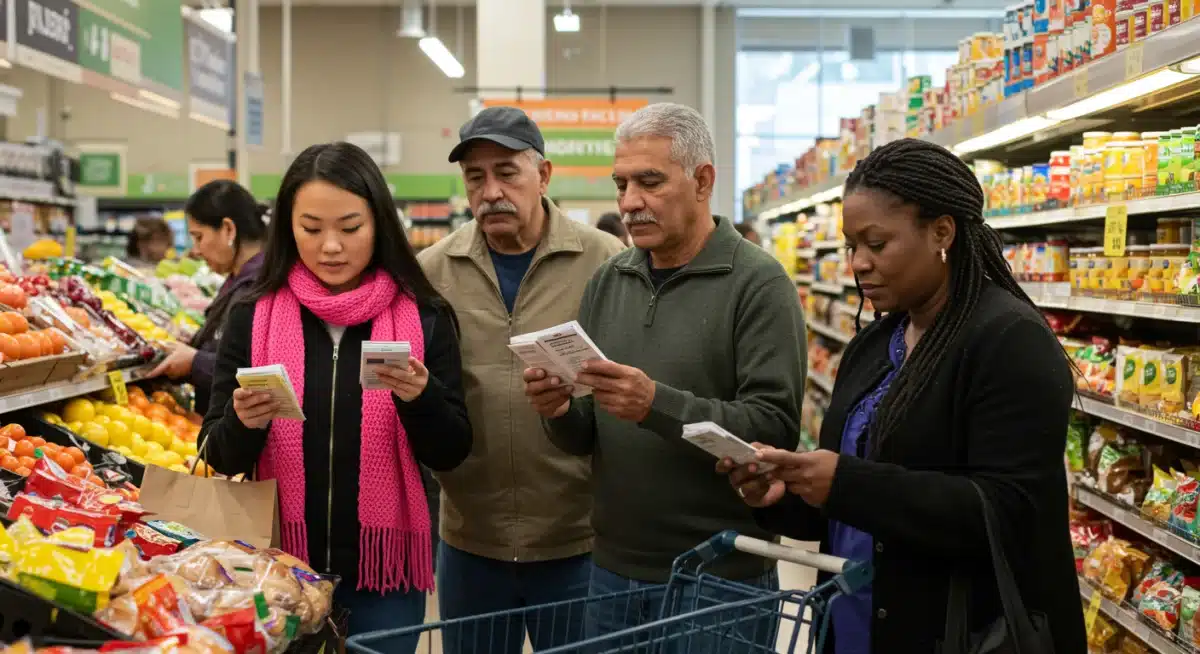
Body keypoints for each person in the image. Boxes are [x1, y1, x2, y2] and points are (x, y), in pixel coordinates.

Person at [721, 139, 1086, 654]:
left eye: (877, 243)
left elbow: (1007, 512)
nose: (859, 263)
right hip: (853, 622)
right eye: (852, 246)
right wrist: (780, 498)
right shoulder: (874, 342)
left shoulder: (1008, 339)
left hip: (954, 632)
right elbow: (847, 509)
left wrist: (845, 482)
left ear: (942, 232)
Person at [522, 102, 806, 651]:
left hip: (721, 578)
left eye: (649, 182)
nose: (629, 203)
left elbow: (773, 429)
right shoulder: (610, 280)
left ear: (703, 181)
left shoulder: (758, 284)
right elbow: (587, 432)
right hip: (610, 573)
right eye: (621, 184)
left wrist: (655, 403)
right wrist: (558, 409)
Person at [200, 142, 473, 652]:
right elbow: (218, 451)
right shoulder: (252, 315)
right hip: (278, 572)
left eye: (350, 228)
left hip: (383, 575)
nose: (331, 246)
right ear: (287, 228)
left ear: (379, 225)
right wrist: (242, 421)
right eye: (311, 228)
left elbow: (452, 452)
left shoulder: (425, 318)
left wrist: (422, 398)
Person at [418, 106, 625, 654]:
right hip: (470, 541)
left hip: (577, 540)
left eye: (507, 172)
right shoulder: (434, 271)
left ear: (544, 175)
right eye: (475, 176)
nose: (490, 191)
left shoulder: (604, 261)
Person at [151, 180, 267, 415]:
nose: (195, 250)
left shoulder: (262, 288)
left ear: (228, 230)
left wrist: (195, 362)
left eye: (199, 237)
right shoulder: (237, 279)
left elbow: (260, 374)